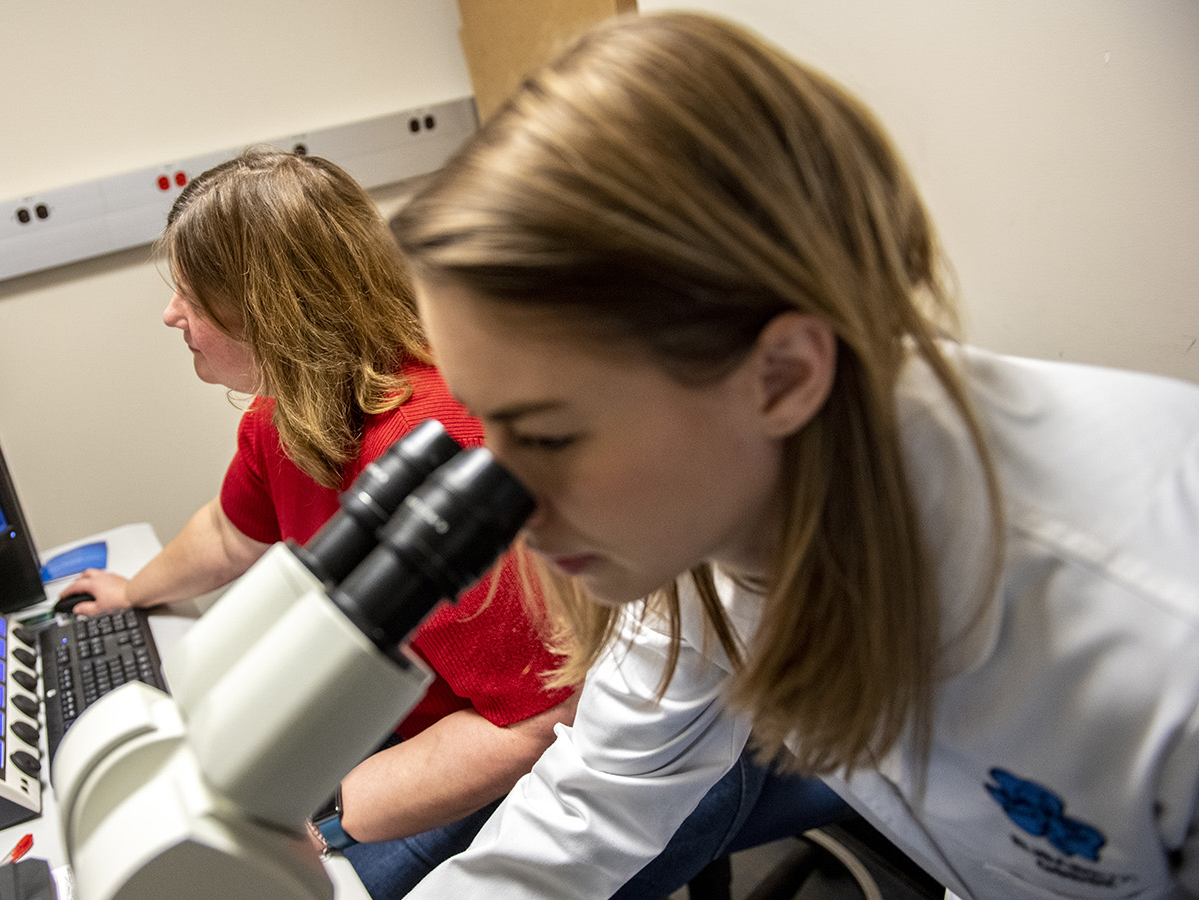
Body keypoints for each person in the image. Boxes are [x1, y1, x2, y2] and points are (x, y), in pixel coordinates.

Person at [388, 11, 1199, 900]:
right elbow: (590, 809)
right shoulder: (718, 517)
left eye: (547, 435)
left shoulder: (1158, 633)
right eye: (486, 425)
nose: (506, 499)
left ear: (781, 376)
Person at [58, 146, 579, 899]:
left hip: (537, 762)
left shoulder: (437, 447)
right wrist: (134, 591)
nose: (171, 314)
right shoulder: (287, 417)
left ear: (267, 307)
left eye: (193, 296)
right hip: (424, 723)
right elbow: (232, 532)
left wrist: (327, 814)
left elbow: (532, 722)